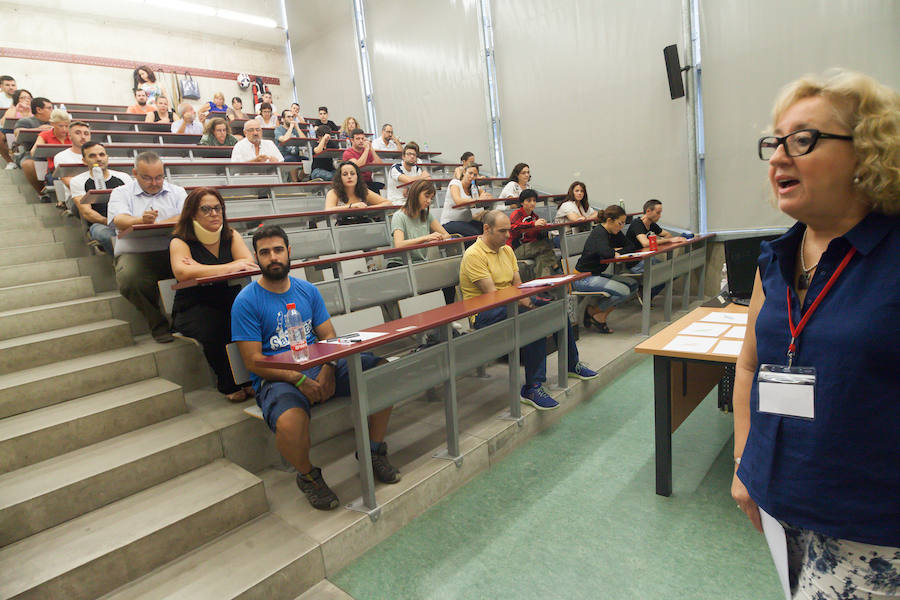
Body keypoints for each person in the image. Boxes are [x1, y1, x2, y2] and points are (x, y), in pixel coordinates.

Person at [732, 70, 900, 599]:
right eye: (774, 143)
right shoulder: (775, 259)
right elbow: (749, 366)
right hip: (782, 506)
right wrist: (744, 461)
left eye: (803, 140)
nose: (779, 156)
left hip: (871, 527)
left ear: (867, 153)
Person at [231, 225, 401, 510]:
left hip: (319, 365)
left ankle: (372, 451)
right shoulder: (246, 301)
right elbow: (254, 362)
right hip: (278, 378)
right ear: (257, 258)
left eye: (278, 250)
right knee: (290, 422)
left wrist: (329, 367)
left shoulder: (307, 291)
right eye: (265, 252)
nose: (273, 257)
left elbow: (328, 337)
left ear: (289, 253)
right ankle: (308, 476)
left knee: (382, 371)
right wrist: (298, 381)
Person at [459, 210, 598, 410]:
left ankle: (572, 364)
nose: (508, 235)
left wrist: (528, 300)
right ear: (486, 229)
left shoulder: (506, 250)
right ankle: (532, 387)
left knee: (556, 309)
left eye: (508, 231)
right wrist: (525, 303)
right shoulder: (474, 255)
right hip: (484, 312)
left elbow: (518, 284)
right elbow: (492, 295)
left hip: (511, 302)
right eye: (502, 231)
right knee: (535, 319)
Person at [170, 188, 258, 402]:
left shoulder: (231, 234)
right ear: (193, 214)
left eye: (217, 208)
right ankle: (229, 383)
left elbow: (248, 263)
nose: (214, 213)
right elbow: (183, 273)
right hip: (194, 305)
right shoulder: (179, 241)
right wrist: (230, 266)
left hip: (229, 298)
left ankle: (250, 379)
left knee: (248, 319)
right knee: (215, 325)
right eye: (206, 209)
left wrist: (203, 268)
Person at [107, 152, 187, 342]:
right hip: (136, 252)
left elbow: (187, 215)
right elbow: (119, 219)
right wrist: (139, 220)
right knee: (130, 279)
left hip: (172, 250)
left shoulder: (176, 191)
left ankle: (183, 320)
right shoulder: (121, 192)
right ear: (135, 173)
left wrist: (158, 223)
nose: (155, 182)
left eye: (159, 177)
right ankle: (158, 324)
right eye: (147, 178)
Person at [571, 205, 639, 333]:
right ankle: (594, 312)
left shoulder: (614, 232)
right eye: (620, 223)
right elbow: (606, 253)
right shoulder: (599, 232)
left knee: (633, 284)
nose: (622, 226)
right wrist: (613, 252)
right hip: (583, 278)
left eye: (624, 223)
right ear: (609, 221)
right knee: (624, 291)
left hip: (596, 274)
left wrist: (616, 251)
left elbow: (631, 246)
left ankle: (597, 314)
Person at [389, 179, 454, 301]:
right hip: (400, 264)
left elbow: (447, 235)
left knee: (449, 277)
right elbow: (399, 245)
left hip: (420, 263)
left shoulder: (426, 214)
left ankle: (445, 314)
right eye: (426, 196)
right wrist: (426, 238)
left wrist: (438, 238)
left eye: (431, 198)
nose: (429, 201)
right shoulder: (399, 216)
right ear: (415, 194)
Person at [71, 142, 132, 254]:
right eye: (92, 156)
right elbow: (87, 212)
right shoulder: (77, 181)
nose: (98, 159)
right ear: (84, 161)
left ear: (107, 157)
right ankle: (120, 262)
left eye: (102, 155)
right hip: (100, 223)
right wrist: (112, 223)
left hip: (127, 219)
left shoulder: (123, 177)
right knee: (106, 235)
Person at [509, 189, 558, 279]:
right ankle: (556, 266)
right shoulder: (516, 214)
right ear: (522, 203)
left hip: (533, 248)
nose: (532, 203)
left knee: (542, 258)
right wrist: (533, 224)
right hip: (517, 249)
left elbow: (537, 235)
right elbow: (514, 227)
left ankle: (543, 285)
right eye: (529, 200)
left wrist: (543, 228)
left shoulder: (535, 216)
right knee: (544, 245)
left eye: (534, 201)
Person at [13, 96, 52, 197]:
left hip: (53, 154)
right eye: (49, 108)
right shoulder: (26, 121)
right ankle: (42, 193)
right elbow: (17, 132)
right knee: (27, 164)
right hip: (32, 154)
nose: (52, 111)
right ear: (39, 110)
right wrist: (39, 129)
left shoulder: (55, 122)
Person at [440, 163, 489, 238]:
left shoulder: (474, 188)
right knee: (476, 233)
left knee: (488, 229)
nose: (472, 176)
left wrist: (484, 196)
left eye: (475, 175)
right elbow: (458, 201)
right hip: (449, 223)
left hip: (466, 222)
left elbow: (488, 196)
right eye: (470, 173)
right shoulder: (455, 183)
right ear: (464, 172)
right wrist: (477, 199)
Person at [52, 120, 91, 211]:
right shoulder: (61, 156)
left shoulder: (97, 154)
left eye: (86, 133)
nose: (83, 137)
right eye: (78, 133)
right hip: (75, 197)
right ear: (70, 136)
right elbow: (70, 183)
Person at [30, 109, 70, 190]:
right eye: (61, 126)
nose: (64, 129)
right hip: (54, 171)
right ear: (52, 124)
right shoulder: (44, 135)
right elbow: (33, 152)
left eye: (67, 126)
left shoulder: (73, 134)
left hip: (73, 169)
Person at [325, 161, 390, 210]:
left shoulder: (364, 191)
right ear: (340, 178)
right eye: (345, 174)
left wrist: (367, 208)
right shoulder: (333, 192)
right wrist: (352, 206)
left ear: (357, 176)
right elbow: (328, 210)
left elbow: (388, 203)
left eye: (352, 174)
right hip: (343, 226)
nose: (349, 177)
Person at [342, 128, 383, 194]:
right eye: (358, 139)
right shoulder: (348, 153)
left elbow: (380, 164)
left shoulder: (367, 152)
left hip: (368, 182)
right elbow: (358, 165)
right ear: (352, 140)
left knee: (384, 188)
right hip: (355, 184)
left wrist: (371, 148)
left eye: (362, 139)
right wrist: (366, 149)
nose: (361, 141)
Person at [0, 76, 15, 165]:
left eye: (13, 85)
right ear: (1, 86)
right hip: (3, 127)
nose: (11, 87)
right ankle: (10, 162)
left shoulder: (21, 96)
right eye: (7, 85)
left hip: (20, 126)